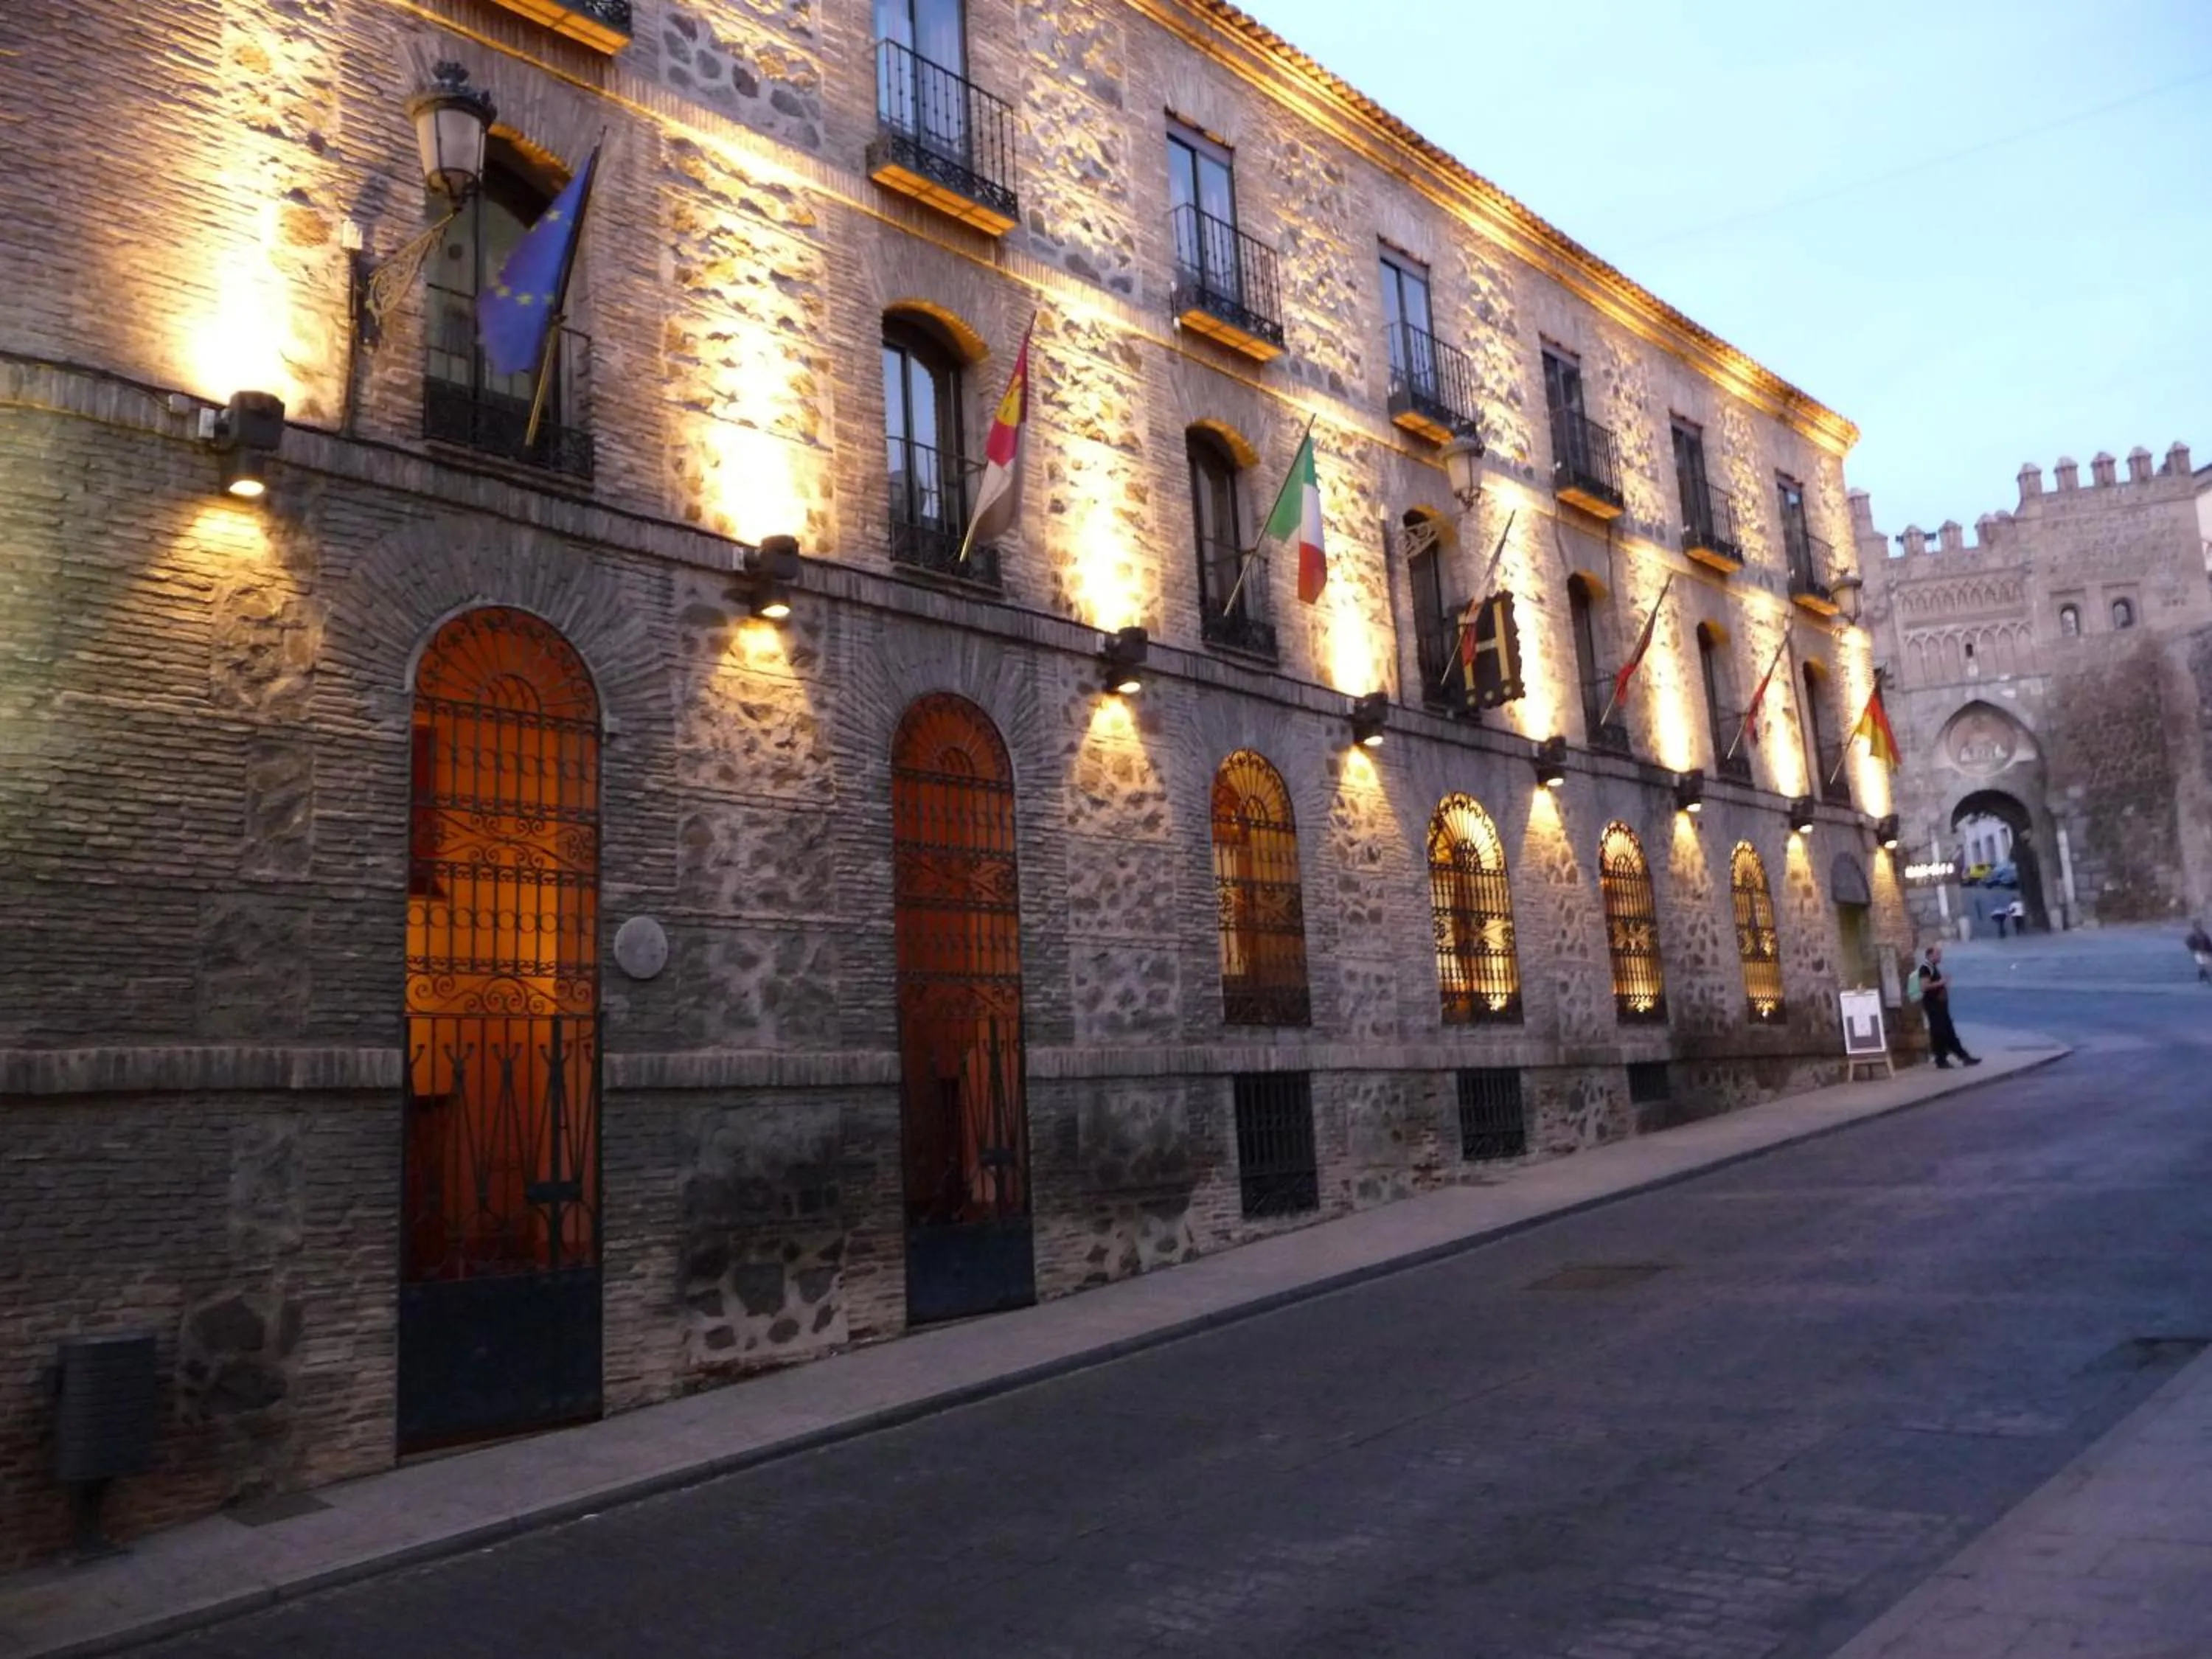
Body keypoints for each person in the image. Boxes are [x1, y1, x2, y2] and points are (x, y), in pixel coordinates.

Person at [1916, 943, 1981, 1069]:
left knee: (1948, 1031)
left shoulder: (1933, 968)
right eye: (1937, 954)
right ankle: (1942, 1059)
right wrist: (1941, 982)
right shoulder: (1926, 968)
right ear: (1930, 955)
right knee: (1940, 1032)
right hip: (1934, 1007)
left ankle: (1962, 1057)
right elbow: (1923, 986)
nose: (1940, 956)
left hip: (1940, 1006)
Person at [2188, 921, 2211, 985]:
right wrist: (2192, 949)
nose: (2199, 926)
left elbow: (2209, 943)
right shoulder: (2193, 935)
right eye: (2198, 925)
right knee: (2202, 964)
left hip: (2205, 952)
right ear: (2195, 927)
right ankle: (2203, 978)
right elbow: (2189, 942)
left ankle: (2204, 977)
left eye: (2200, 925)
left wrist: (2210, 951)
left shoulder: (2204, 934)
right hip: (2198, 952)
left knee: (2204, 965)